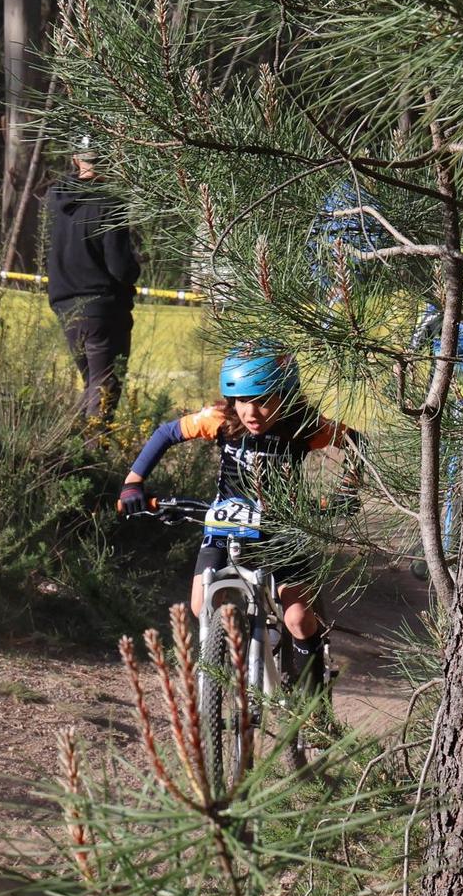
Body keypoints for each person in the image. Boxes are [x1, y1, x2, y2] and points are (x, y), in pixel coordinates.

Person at [115, 344, 362, 692]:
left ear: (287, 395)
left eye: (263, 399)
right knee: (202, 605)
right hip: (226, 524)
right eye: (242, 399)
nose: (251, 411)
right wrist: (133, 483)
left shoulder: (302, 426)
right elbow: (166, 433)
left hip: (282, 528)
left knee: (298, 618)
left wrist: (347, 492)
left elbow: (353, 440)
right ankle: (232, 664)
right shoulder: (221, 420)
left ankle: (315, 702)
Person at [45, 134, 141, 426]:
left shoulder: (54, 198)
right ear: (111, 162)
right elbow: (120, 267)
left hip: (65, 305)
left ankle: (72, 455)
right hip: (101, 310)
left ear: (76, 159)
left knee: (92, 386)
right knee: (103, 392)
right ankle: (93, 458)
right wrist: (135, 265)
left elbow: (51, 248)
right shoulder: (110, 202)